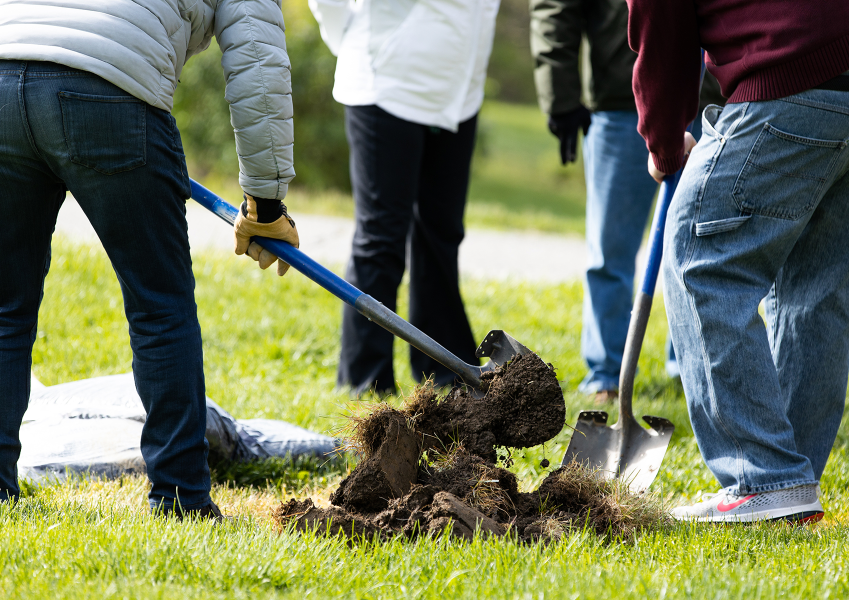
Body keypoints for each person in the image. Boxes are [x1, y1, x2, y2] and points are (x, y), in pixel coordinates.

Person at [0, 0, 299, 518]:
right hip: (112, 93)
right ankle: (180, 496)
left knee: (3, 309)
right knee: (160, 307)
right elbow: (257, 58)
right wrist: (267, 205)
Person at [627, 0, 849, 522]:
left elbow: (661, 25)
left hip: (796, 76)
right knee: (817, 289)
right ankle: (790, 487)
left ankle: (764, 477)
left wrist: (663, 146)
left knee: (701, 260)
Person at [530, 0, 725, 404]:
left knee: (705, 248)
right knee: (611, 248)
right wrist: (560, 94)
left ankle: (690, 369)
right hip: (624, 99)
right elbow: (555, 8)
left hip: (718, 99)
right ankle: (606, 373)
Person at [309, 0, 499, 396]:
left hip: (459, 97)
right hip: (386, 84)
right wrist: (348, 40)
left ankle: (443, 370)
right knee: (382, 237)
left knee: (441, 235)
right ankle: (366, 380)